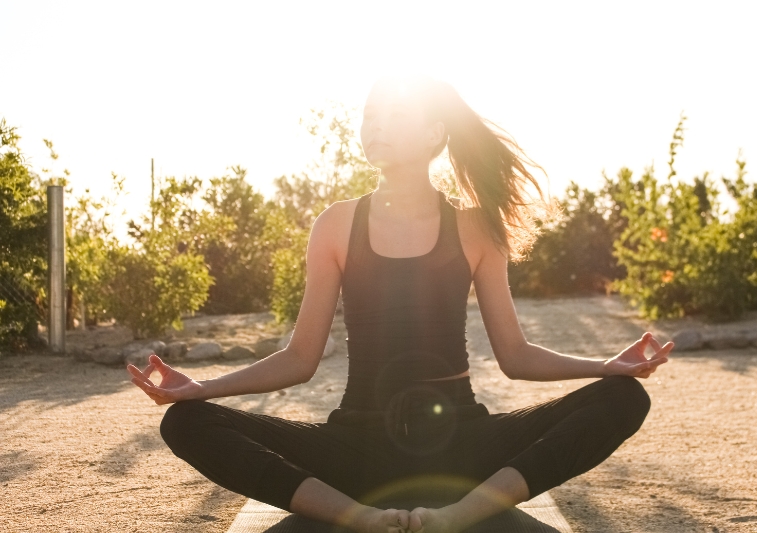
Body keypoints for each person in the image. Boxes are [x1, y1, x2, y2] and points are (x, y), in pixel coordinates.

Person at [128, 75, 672, 533]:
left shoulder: (474, 226)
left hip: (465, 443)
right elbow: (300, 358)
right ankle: (358, 518)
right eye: (369, 115)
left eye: (392, 115)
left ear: (434, 132)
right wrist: (201, 388)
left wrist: (605, 367)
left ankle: (463, 513)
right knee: (186, 422)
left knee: (622, 399)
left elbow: (516, 355)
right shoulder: (337, 224)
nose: (374, 126)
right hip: (355, 447)